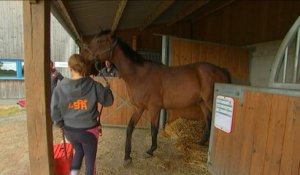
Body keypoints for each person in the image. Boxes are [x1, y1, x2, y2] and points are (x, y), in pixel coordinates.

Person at [51, 54, 114, 175]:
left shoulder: (60, 88)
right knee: (90, 162)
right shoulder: (94, 85)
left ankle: (73, 173)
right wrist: (107, 90)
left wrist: (61, 125)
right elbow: (108, 101)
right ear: (84, 68)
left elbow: (54, 112)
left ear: (70, 68)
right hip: (89, 133)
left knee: (79, 151)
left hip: (70, 131)